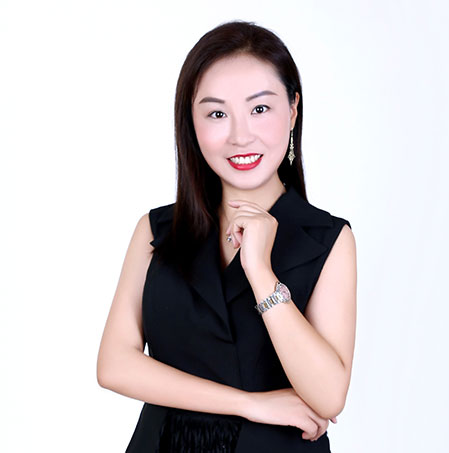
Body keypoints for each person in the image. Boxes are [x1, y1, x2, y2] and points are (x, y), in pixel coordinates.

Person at [97, 20, 357, 453]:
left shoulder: (327, 238)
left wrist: (261, 274)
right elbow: (114, 365)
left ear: (293, 110)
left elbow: (329, 396)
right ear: (191, 122)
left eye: (260, 109)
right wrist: (248, 404)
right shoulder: (157, 230)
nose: (240, 136)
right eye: (217, 113)